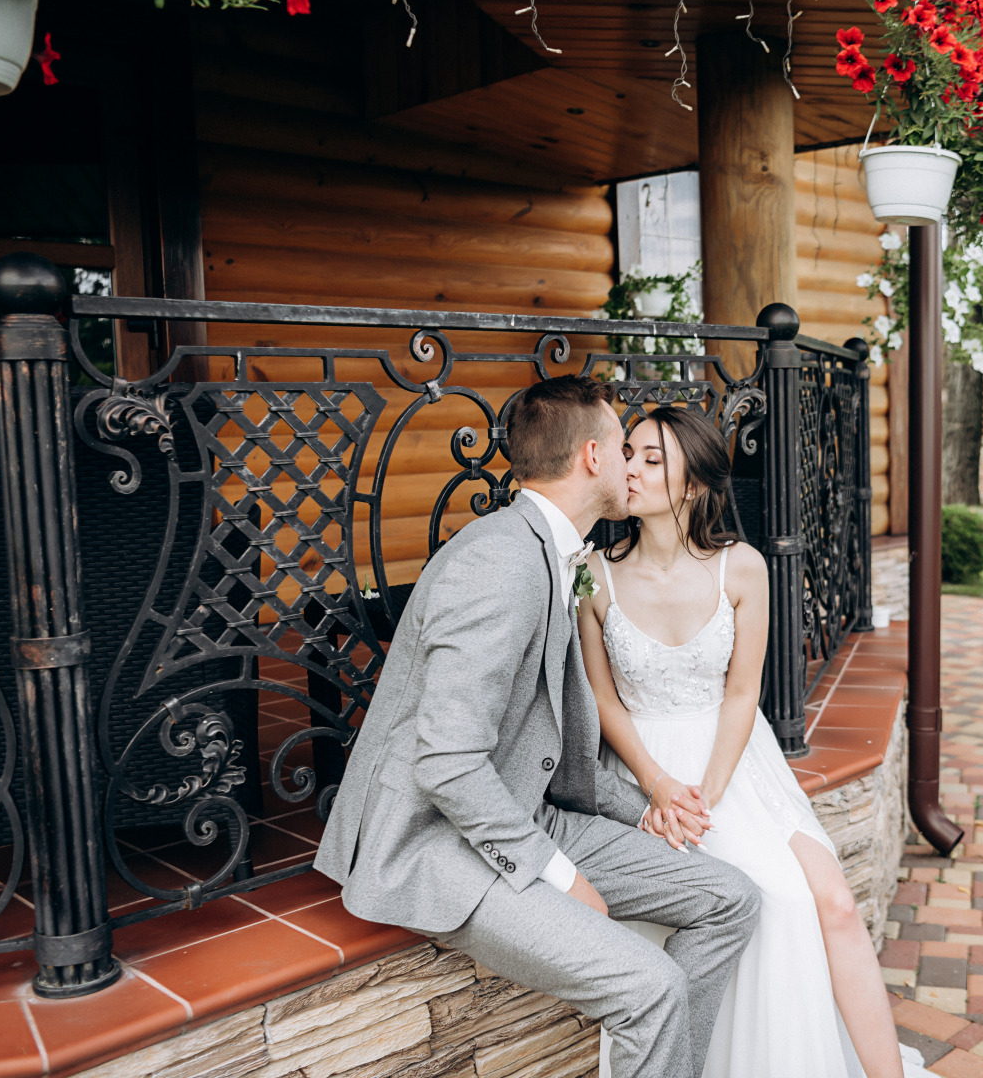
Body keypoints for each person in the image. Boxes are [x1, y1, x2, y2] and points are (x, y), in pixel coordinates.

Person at [314, 377, 761, 1078]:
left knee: (730, 899)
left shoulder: (556, 554)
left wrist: (644, 809)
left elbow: (547, 742)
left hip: (524, 809)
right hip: (436, 842)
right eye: (624, 449)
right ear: (591, 456)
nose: (631, 466)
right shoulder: (499, 563)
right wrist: (553, 872)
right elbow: (447, 765)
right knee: (651, 987)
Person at [582, 406, 916, 1078]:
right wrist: (656, 786)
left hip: (733, 761)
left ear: (693, 486)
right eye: (631, 454)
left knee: (834, 903)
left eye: (653, 459)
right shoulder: (592, 573)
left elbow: (742, 694)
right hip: (645, 768)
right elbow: (601, 700)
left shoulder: (742, 568)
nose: (632, 469)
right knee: (765, 904)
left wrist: (706, 794)